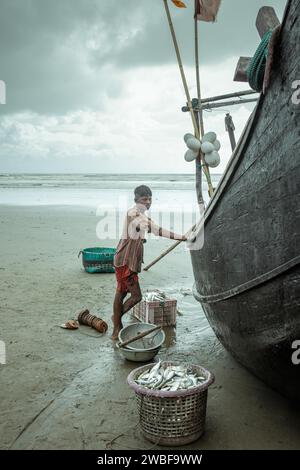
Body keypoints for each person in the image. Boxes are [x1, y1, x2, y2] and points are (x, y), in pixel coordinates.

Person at [111, 185, 186, 340]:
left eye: (150, 199)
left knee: (122, 292)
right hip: (126, 262)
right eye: (144, 199)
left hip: (125, 260)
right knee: (136, 296)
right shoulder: (133, 214)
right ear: (136, 200)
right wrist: (181, 237)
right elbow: (157, 229)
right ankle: (116, 321)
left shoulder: (143, 216)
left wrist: (180, 236)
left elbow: (153, 228)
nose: (148, 202)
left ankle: (116, 322)